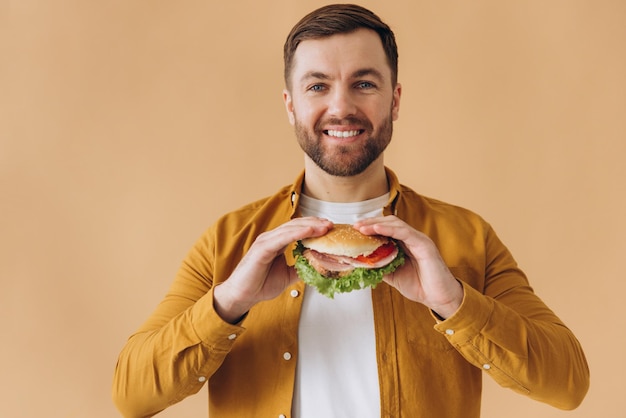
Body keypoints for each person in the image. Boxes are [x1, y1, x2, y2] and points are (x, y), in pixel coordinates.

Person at [112, 4, 589, 417]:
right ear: (290, 105)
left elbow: (568, 384)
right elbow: (132, 396)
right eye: (317, 87)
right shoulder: (232, 240)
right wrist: (230, 303)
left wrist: (453, 303)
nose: (341, 107)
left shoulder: (466, 236)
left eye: (363, 83)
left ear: (394, 100)